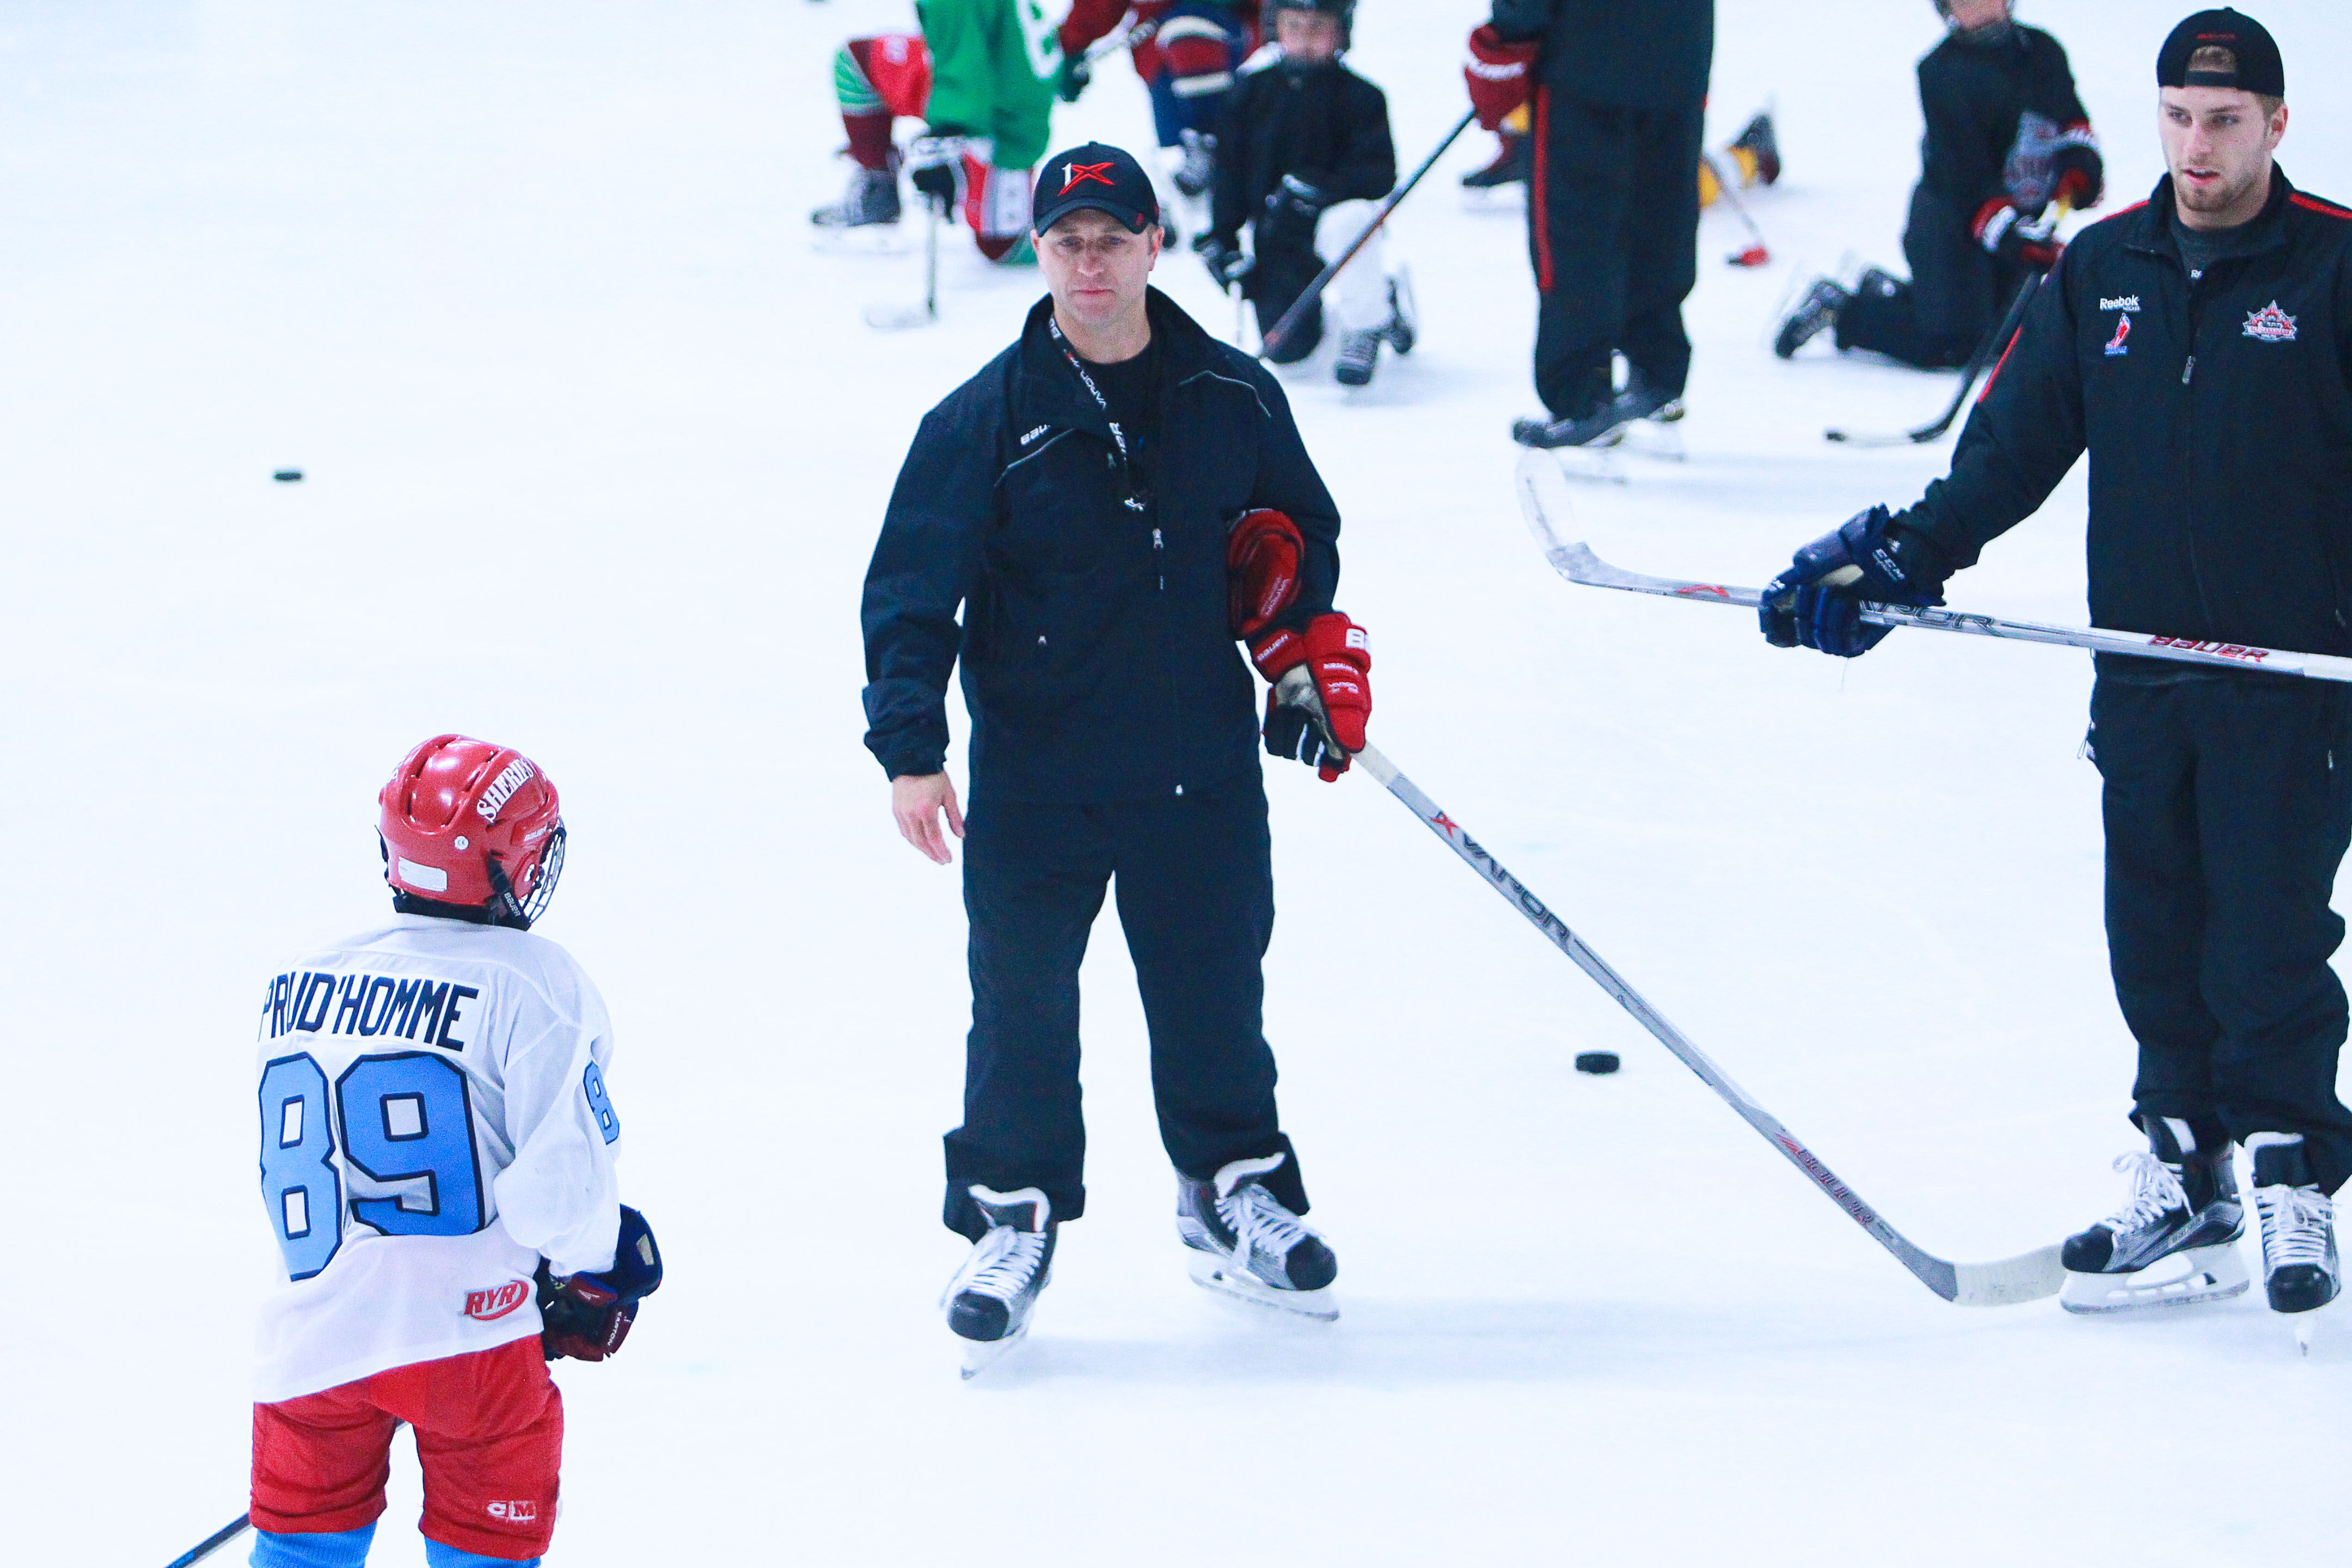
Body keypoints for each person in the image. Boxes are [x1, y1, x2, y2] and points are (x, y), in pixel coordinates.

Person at [1756, 10, 2343, 1325]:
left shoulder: (2334, 270)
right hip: (2137, 669)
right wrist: (1905, 557)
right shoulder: (2103, 267)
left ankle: (2293, 1162)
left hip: (2291, 681)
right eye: (2181, 119)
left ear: (2277, 123)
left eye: (2228, 120)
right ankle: (2185, 1163)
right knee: (2154, 931)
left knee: (2267, 936)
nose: (2200, 146)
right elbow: (2011, 452)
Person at [860, 142, 1371, 1365]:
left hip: (1199, 775)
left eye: (1112, 238)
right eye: (1066, 241)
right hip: (1041, 782)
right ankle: (1010, 1217)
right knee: (1023, 1011)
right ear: (1039, 254)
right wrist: (911, 748)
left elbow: (1302, 536)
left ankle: (1231, 1188)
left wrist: (1300, 643)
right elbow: (910, 593)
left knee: (1214, 997)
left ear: (1156, 244)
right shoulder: (980, 419)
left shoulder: (1234, 395)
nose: (1090, 263)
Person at [247, 735, 661, 1566]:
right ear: (509, 863)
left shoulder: (297, 974)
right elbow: (558, 1203)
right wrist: (595, 1269)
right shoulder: (536, 981)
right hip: (472, 1350)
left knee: (297, 1556)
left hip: (312, 1342)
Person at [1774, 0, 2102, 369]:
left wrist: (2080, 169)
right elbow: (1964, 177)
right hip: (1950, 226)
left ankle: (1890, 293)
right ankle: (1842, 310)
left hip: (2017, 220)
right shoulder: (1941, 72)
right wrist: (2012, 234)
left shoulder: (2043, 51)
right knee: (1955, 344)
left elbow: (2073, 122)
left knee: (2006, 340)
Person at [1463, 0, 1714, 448]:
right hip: (1678, 58)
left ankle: (1582, 397)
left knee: (1575, 236)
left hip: (1584, 70)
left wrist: (1505, 42)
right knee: (1661, 219)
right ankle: (1658, 371)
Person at [1198, 0, 1414, 387]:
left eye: (1318, 28)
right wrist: (1222, 239)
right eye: (1293, 27)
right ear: (1274, 29)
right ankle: (1385, 303)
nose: (1304, 39)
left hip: (1335, 221)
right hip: (1277, 235)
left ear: (1341, 31)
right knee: (1291, 355)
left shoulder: (1364, 97)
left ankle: (1366, 322)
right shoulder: (1248, 94)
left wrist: (1324, 189)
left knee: (1350, 223)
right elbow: (1228, 174)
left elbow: (1380, 174)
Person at [810, 0, 1063, 264]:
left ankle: (1091, 230)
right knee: (857, 61)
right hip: (981, 65)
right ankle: (879, 190)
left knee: (1001, 246)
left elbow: (965, 66)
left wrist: (949, 134)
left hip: (1003, 110)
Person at [1054, 1, 1261, 242]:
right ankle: (1187, 188)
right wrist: (1070, 47)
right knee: (1175, 145)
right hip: (1160, 53)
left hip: (1241, 44)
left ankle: (1223, 170)